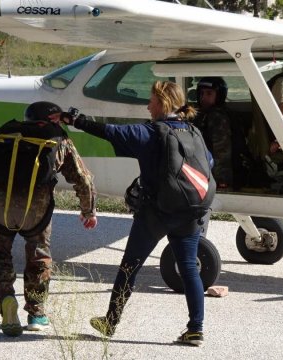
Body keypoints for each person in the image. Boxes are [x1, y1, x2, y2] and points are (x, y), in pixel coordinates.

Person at [60, 81, 213, 346]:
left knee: (129, 267)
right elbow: (209, 163)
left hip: (156, 213)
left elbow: (111, 132)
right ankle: (196, 329)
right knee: (189, 267)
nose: (148, 105)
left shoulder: (151, 133)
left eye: (151, 100)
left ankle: (110, 322)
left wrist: (77, 121)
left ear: (163, 103)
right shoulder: (193, 131)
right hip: (190, 211)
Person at [0, 101, 98, 337]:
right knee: (39, 258)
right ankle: (36, 313)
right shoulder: (59, 139)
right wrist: (88, 211)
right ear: (50, 120)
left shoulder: (4, 135)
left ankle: (7, 301)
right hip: (37, 212)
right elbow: (83, 179)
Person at [193, 77, 233, 190]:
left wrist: (221, 181)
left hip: (215, 177)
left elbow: (222, 153)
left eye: (209, 94)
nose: (203, 97)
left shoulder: (217, 117)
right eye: (201, 93)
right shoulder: (203, 115)